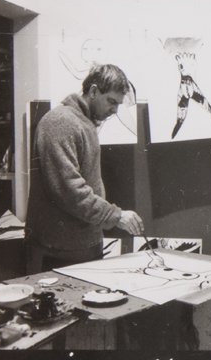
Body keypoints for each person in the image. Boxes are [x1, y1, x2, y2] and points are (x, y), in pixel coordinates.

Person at [26, 65, 146, 272]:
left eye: (118, 104)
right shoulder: (61, 122)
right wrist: (114, 215)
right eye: (111, 101)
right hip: (59, 250)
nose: (115, 110)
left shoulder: (83, 123)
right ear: (92, 91)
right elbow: (68, 189)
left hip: (81, 245)